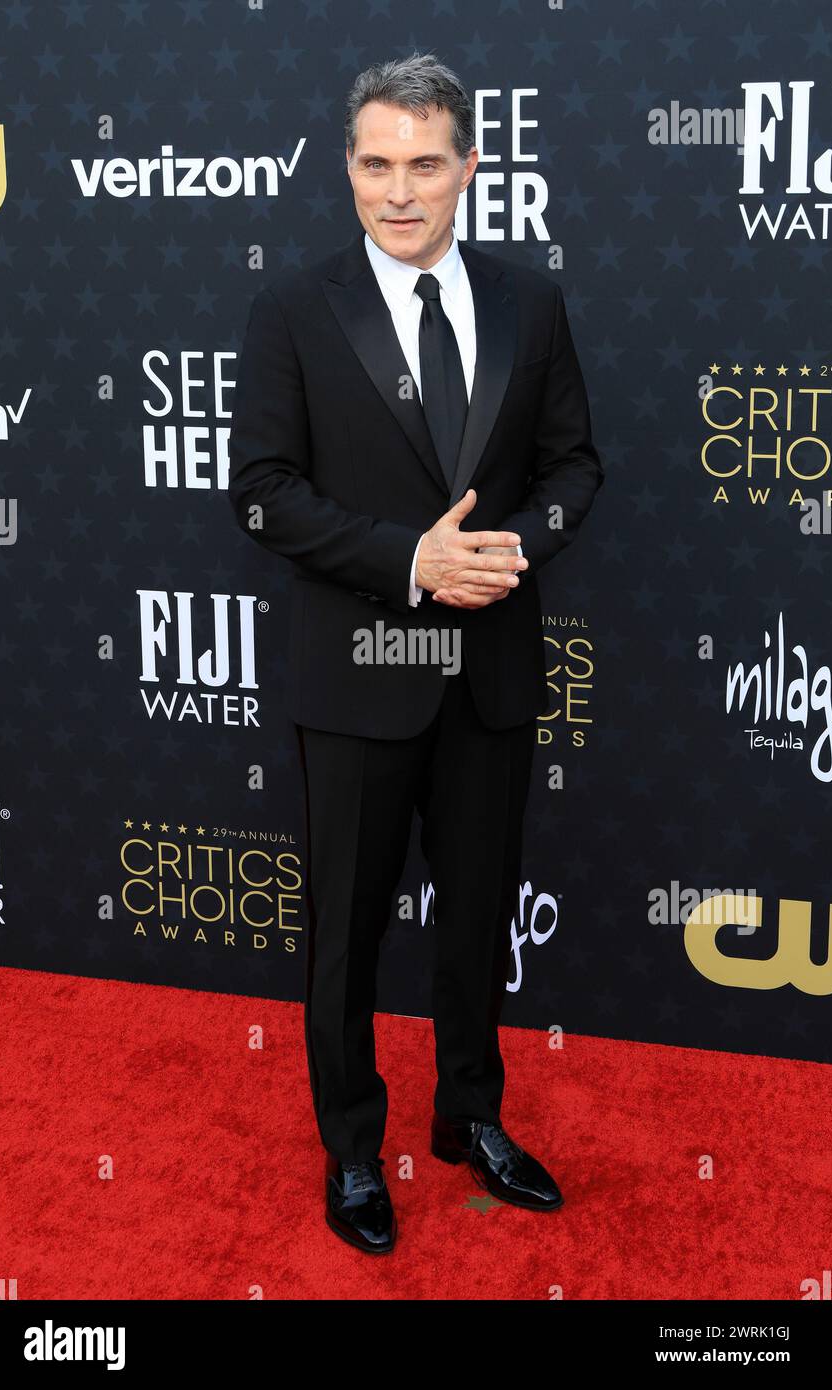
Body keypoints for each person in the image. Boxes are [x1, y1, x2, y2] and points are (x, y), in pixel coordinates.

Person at [227, 52, 604, 1254]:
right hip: (352, 679)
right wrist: (409, 562)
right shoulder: (291, 308)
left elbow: (574, 464)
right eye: (376, 164)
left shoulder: (528, 301)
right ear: (346, 167)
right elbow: (262, 494)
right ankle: (350, 1150)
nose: (400, 191)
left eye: (425, 164)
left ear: (470, 168)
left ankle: (469, 1119)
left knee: (476, 914)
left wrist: (511, 548)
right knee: (342, 933)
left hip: (489, 668)